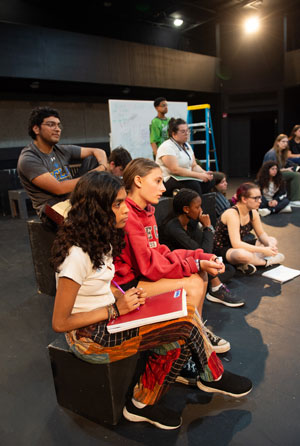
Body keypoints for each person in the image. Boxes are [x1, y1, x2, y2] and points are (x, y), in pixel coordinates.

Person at [51, 170, 252, 431]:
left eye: (124, 201)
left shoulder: (102, 239)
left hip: (110, 318)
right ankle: (213, 374)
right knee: (188, 322)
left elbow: (98, 286)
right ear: (96, 208)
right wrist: (114, 309)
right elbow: (60, 322)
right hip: (89, 338)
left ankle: (141, 404)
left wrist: (123, 298)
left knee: (180, 331)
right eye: (117, 204)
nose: (125, 210)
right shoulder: (76, 254)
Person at [17, 106, 108, 219]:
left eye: (58, 125)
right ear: (36, 129)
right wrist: (93, 176)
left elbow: (98, 151)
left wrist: (103, 166)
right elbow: (59, 188)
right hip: (52, 208)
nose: (58, 129)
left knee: (93, 159)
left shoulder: (61, 149)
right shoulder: (28, 158)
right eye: (51, 125)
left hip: (71, 198)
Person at [163, 188, 244, 309]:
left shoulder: (191, 222)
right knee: (211, 266)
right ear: (186, 209)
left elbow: (203, 249)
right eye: (197, 207)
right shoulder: (174, 228)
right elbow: (204, 252)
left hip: (194, 263)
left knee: (229, 269)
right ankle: (216, 288)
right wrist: (207, 227)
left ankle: (209, 285)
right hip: (179, 266)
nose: (201, 211)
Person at [213, 182, 285, 275]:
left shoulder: (253, 212)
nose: (260, 201)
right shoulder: (232, 214)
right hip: (224, 249)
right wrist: (263, 250)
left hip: (241, 245)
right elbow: (236, 244)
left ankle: (248, 262)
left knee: (272, 240)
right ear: (244, 199)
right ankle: (266, 262)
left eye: (260, 197)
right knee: (242, 255)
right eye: (256, 198)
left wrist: (270, 246)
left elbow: (261, 234)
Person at [156, 118, 215, 197]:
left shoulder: (187, 145)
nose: (187, 133)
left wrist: (204, 173)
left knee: (211, 180)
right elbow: (175, 170)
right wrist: (199, 175)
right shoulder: (167, 146)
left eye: (188, 130)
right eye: (183, 131)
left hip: (185, 177)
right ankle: (197, 207)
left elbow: (194, 165)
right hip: (167, 180)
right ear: (174, 134)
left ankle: (201, 205)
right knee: (194, 185)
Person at [263, 134, 300, 207]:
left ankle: (291, 197)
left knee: (295, 172)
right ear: (277, 142)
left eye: (286, 142)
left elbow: (288, 163)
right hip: (272, 175)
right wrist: (284, 170)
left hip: (279, 173)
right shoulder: (272, 154)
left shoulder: (282, 153)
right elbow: (269, 169)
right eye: (283, 142)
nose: (285, 144)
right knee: (296, 175)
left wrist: (296, 167)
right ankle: (295, 199)